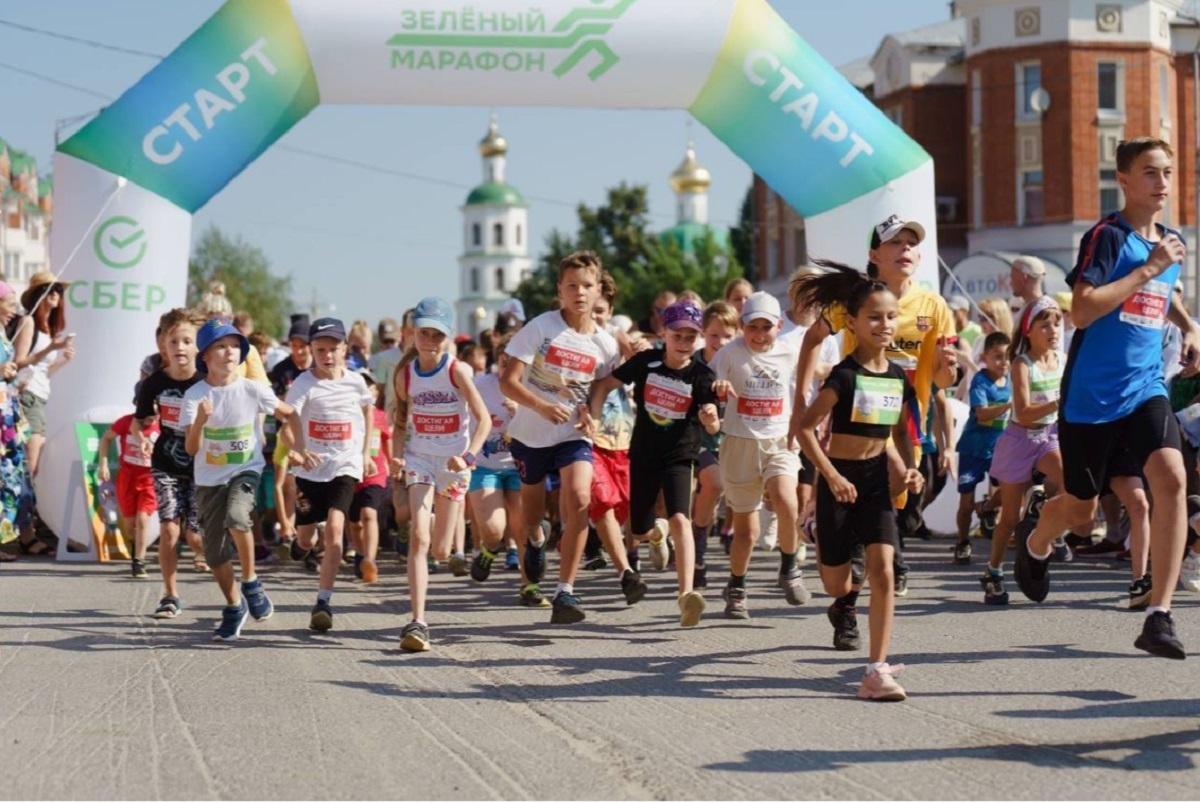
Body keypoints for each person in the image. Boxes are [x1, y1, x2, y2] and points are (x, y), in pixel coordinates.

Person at [1015, 137, 1200, 660]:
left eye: (1167, 171)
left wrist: (1188, 327)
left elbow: (1168, 296)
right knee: (1080, 510)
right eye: (1149, 172)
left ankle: (1158, 615)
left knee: (1171, 479)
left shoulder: (1171, 241)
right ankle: (1036, 539)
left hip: (1145, 388)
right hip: (1091, 398)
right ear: (1122, 179)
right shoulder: (1107, 238)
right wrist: (1146, 267)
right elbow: (1083, 310)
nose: (1162, 182)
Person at [793, 215, 958, 597]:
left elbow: (941, 381)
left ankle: (877, 553)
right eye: (895, 243)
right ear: (874, 253)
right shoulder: (857, 298)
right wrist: (802, 399)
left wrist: (948, 373)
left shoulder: (934, 306)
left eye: (911, 243)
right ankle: (869, 564)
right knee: (875, 488)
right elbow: (813, 338)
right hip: (857, 421)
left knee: (904, 491)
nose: (905, 250)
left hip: (905, 420)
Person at [793, 262, 923, 701]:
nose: (884, 324)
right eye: (874, 317)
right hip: (838, 480)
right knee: (836, 584)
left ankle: (876, 669)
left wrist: (907, 467)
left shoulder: (896, 377)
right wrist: (829, 477)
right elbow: (805, 430)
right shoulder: (844, 375)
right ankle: (821, 543)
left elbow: (895, 433)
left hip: (873, 485)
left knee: (883, 569)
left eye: (890, 316)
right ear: (853, 323)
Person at [501, 251, 620, 624]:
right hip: (531, 433)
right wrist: (539, 406)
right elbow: (508, 381)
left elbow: (603, 388)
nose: (580, 293)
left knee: (581, 497)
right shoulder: (541, 327)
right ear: (560, 290)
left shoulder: (606, 344)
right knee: (532, 515)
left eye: (587, 286)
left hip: (572, 435)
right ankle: (536, 540)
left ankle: (565, 591)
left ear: (598, 289)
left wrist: (593, 415)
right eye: (572, 286)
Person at [591, 299, 719, 626]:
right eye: (678, 335)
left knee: (681, 518)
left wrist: (709, 419)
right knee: (640, 529)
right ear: (664, 332)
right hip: (644, 453)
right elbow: (606, 384)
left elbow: (713, 423)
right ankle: (657, 533)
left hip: (680, 454)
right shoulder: (646, 363)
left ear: (699, 337)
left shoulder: (702, 375)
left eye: (691, 337)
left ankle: (686, 595)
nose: (684, 342)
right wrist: (592, 419)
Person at [182, 319, 295, 641]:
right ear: (205, 355)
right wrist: (202, 420)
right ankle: (234, 605)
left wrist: (297, 444)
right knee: (215, 552)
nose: (228, 352)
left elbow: (289, 413)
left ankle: (250, 581)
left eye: (234, 345)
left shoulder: (253, 389)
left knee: (237, 515)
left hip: (246, 469)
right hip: (208, 478)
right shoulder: (195, 395)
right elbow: (191, 448)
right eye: (220, 346)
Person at [393, 297, 491, 651]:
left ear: (448, 337)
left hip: (453, 465)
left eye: (438, 334)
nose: (430, 340)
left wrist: (467, 456)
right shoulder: (405, 374)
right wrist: (396, 456)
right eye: (424, 333)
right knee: (418, 538)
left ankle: (438, 529)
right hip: (420, 460)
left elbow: (483, 419)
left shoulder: (457, 371)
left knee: (439, 550)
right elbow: (401, 419)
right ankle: (417, 622)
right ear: (413, 334)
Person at [710, 291, 809, 619]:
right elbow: (707, 384)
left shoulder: (789, 353)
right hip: (740, 442)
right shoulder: (729, 354)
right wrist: (717, 392)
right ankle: (737, 587)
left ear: (779, 326)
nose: (759, 334)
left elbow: (813, 376)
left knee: (786, 499)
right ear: (742, 326)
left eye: (766, 327)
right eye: (753, 327)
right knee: (747, 531)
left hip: (779, 439)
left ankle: (789, 569)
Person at [283, 318, 375, 632]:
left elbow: (367, 415)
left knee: (336, 529)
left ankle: (323, 601)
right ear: (311, 350)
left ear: (345, 349)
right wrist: (294, 449)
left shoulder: (356, 381)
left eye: (333, 349)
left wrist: (365, 454)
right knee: (308, 538)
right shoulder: (303, 383)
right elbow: (286, 422)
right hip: (309, 468)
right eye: (320, 349)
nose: (327, 356)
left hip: (344, 466)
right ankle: (301, 543)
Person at [134, 309, 208, 617]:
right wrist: (142, 435)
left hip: (201, 465)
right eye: (173, 340)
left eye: (186, 340)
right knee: (169, 531)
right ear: (164, 344)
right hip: (165, 461)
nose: (179, 347)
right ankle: (170, 594)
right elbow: (140, 420)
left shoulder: (207, 382)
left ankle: (213, 553)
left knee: (194, 536)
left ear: (197, 347)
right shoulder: (153, 383)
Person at [467, 333, 540, 596]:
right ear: (498, 358)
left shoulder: (533, 387)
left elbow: (547, 425)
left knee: (523, 527)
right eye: (504, 358)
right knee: (494, 530)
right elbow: (462, 418)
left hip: (520, 465)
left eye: (514, 359)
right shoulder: (478, 384)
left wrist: (520, 412)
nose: (507, 363)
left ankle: (529, 585)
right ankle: (488, 549)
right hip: (485, 465)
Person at [951, 331, 1011, 571]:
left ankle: (986, 509)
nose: (1003, 362)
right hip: (973, 450)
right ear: (985, 357)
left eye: (1007, 357)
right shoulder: (980, 381)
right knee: (966, 504)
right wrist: (1010, 406)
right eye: (997, 356)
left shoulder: (1012, 380)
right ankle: (963, 542)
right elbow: (982, 414)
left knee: (1008, 492)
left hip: (999, 450)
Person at [691, 301, 739, 586]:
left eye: (727, 336)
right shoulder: (694, 364)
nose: (720, 342)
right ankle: (696, 549)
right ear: (703, 334)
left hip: (729, 438)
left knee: (718, 493)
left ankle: (702, 545)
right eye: (713, 335)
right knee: (714, 483)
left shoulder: (739, 364)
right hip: (694, 438)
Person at [13, 271, 74, 481]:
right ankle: (21, 509)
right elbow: (19, 361)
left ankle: (22, 508)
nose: (56, 294)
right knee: (30, 464)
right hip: (27, 397)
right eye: (50, 289)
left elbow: (43, 372)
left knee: (32, 463)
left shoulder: (48, 330)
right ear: (39, 294)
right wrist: (50, 350)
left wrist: (62, 360)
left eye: (59, 290)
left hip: (38, 397)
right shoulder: (29, 322)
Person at [268, 317, 312, 552]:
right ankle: (287, 530)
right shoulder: (281, 370)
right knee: (287, 486)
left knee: (303, 487)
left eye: (302, 346)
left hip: (312, 436)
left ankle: (304, 533)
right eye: (294, 346)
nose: (298, 351)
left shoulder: (318, 370)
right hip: (286, 434)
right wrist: (287, 421)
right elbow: (272, 404)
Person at [97, 413, 160, 578]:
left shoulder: (162, 426)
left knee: (143, 519)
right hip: (128, 478)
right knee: (129, 524)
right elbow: (106, 438)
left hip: (150, 479)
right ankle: (135, 546)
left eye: (155, 415)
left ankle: (139, 561)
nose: (152, 419)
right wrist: (102, 463)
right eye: (148, 415)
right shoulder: (126, 422)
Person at [348, 371, 391, 585]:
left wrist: (393, 465)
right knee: (354, 522)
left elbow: (387, 442)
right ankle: (359, 552)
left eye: (370, 388)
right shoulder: (347, 415)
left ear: (376, 392)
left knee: (369, 514)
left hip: (376, 475)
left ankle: (370, 559)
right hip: (351, 475)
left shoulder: (381, 416)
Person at [0, 281, 34, 554]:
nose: (14, 311)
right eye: (10, 305)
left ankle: (9, 535)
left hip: (8, 412)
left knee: (13, 472)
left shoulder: (3, 330)